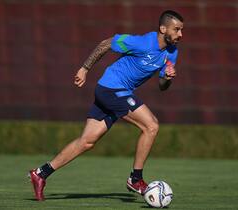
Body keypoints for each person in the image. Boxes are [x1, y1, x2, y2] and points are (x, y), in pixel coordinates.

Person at [29, 10, 183, 201]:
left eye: (181, 30)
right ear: (162, 29)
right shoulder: (141, 42)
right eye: (176, 29)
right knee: (151, 125)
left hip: (115, 92)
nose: (180, 34)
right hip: (111, 88)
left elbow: (162, 86)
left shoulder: (172, 52)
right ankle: (136, 179)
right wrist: (84, 69)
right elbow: (105, 44)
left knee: (87, 141)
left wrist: (167, 78)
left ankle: (40, 173)